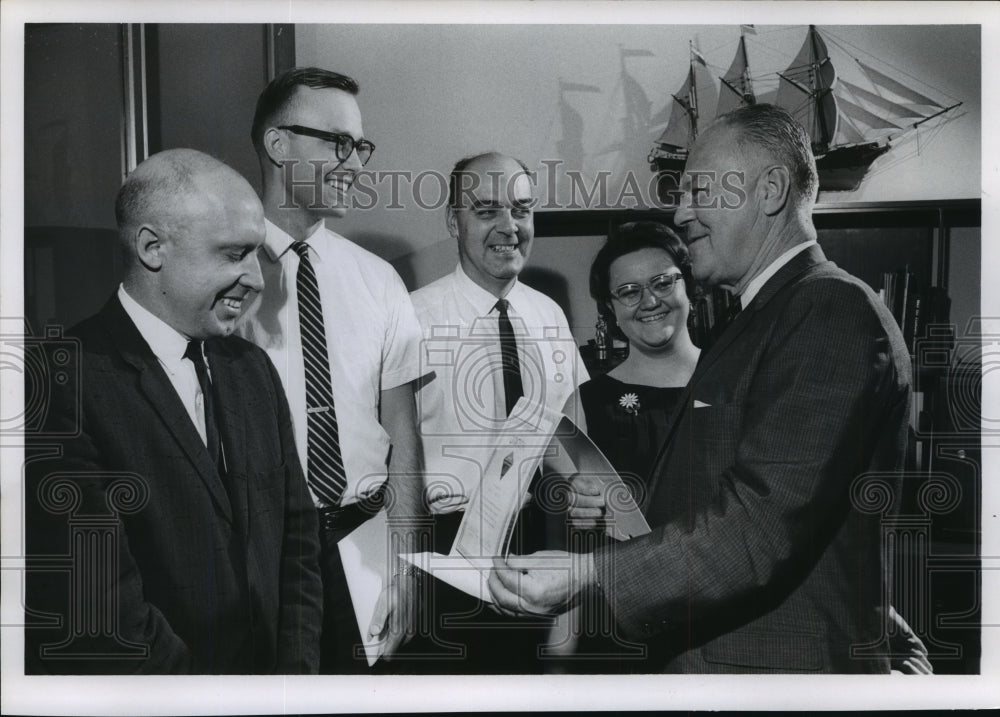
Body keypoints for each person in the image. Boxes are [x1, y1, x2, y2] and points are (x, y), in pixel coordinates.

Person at [490, 104, 914, 673]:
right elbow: (723, 495)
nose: (681, 213)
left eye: (699, 191)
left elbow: (762, 524)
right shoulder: (762, 318)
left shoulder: (828, 310)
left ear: (770, 191)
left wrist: (589, 574)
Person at [24, 149, 322, 674]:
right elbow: (101, 609)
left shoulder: (251, 368)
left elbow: (298, 544)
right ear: (152, 247)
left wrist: (292, 682)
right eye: (233, 255)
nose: (255, 278)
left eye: (256, 255)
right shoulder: (56, 383)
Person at [239, 67, 426, 672]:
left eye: (360, 146)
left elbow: (405, 439)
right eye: (337, 143)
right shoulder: (221, 277)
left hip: (365, 547)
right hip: (259, 558)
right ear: (278, 144)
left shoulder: (380, 279)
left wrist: (406, 566)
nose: (355, 163)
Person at [408, 151, 589, 672]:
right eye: (487, 211)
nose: (509, 227)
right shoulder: (411, 318)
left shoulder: (550, 315)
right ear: (453, 222)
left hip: (534, 547)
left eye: (522, 210)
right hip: (442, 555)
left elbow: (574, 445)